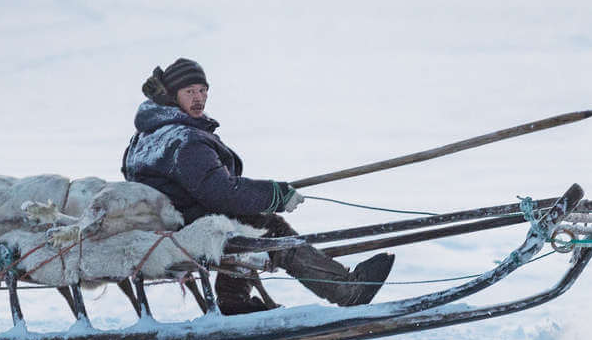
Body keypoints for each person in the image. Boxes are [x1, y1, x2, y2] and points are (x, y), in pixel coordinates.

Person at [122, 57, 393, 314]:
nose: (199, 98)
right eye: (190, 91)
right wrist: (275, 194)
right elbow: (221, 192)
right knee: (270, 229)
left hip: (172, 222)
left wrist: (264, 195)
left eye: (203, 90)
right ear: (172, 95)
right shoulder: (184, 140)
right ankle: (346, 291)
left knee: (248, 220)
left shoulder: (150, 134)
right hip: (190, 226)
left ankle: (234, 301)